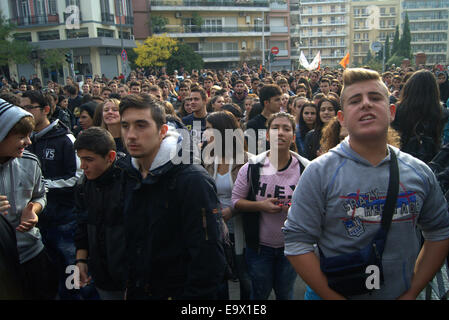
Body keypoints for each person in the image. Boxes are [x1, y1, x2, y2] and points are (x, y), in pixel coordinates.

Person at [283, 68, 449, 300]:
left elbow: (440, 231)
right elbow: (296, 242)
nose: (366, 104)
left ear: (392, 112)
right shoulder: (318, 173)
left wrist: (411, 292)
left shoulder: (419, 172)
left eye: (375, 98)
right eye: (355, 100)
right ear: (341, 119)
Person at [117, 93, 226, 299]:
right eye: (125, 126)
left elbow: (208, 261)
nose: (131, 135)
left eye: (141, 125)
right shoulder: (127, 174)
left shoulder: (192, 179)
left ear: (162, 131)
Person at [232, 112, 309, 300]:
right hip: (259, 248)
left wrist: (293, 208)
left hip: (290, 247)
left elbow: (313, 209)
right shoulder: (252, 167)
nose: (280, 133)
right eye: (275, 128)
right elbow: (236, 202)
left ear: (292, 136)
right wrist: (261, 206)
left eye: (286, 129)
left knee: (285, 293)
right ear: (267, 135)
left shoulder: (305, 168)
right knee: (259, 293)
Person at [21, 90, 85, 300]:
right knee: (48, 271)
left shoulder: (64, 138)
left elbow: (77, 176)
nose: (24, 113)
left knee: (70, 269)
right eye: (21, 108)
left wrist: (44, 186)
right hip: (38, 222)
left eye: (28, 108)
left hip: (64, 219)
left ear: (45, 109)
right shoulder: (27, 140)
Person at [0, 98, 58, 299]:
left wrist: (34, 209)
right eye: (21, 136)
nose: (29, 142)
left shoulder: (30, 162)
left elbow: (41, 194)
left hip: (32, 253)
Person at [203, 111, 252, 299]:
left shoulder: (247, 160)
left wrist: (232, 211)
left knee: (245, 280)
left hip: (242, 231)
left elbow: (254, 197)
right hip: (216, 230)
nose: (204, 134)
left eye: (208, 129)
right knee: (219, 280)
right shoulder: (207, 159)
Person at [74, 127, 127, 300]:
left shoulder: (130, 182)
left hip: (130, 279)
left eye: (89, 159)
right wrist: (81, 259)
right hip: (102, 276)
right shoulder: (84, 185)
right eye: (81, 159)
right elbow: (82, 222)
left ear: (110, 157)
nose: (83, 166)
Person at [391, 69, 445, 164]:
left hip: (403, 157)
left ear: (409, 87)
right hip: (432, 157)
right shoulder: (441, 111)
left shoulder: (398, 109)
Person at [246, 84, 282, 155]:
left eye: (281, 99)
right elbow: (252, 152)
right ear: (266, 103)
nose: (281, 103)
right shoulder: (253, 124)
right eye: (277, 100)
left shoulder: (283, 121)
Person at [304, 96, 340, 160]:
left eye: (330, 109)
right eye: (322, 110)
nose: (326, 112)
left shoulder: (342, 134)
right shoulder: (311, 136)